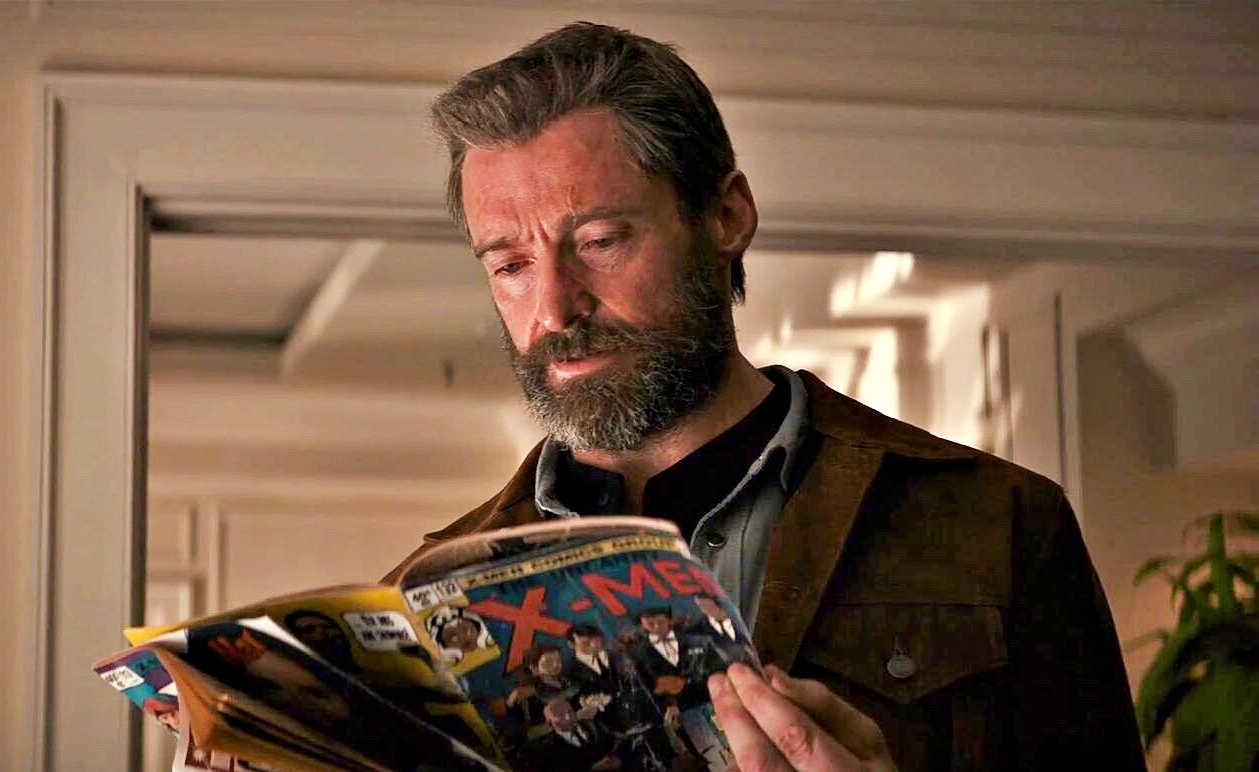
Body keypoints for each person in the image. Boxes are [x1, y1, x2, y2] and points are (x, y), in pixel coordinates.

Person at [385, 21, 1144, 771]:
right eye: (510, 265)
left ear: (727, 217)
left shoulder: (998, 524)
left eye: (600, 241)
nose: (554, 310)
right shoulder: (415, 603)